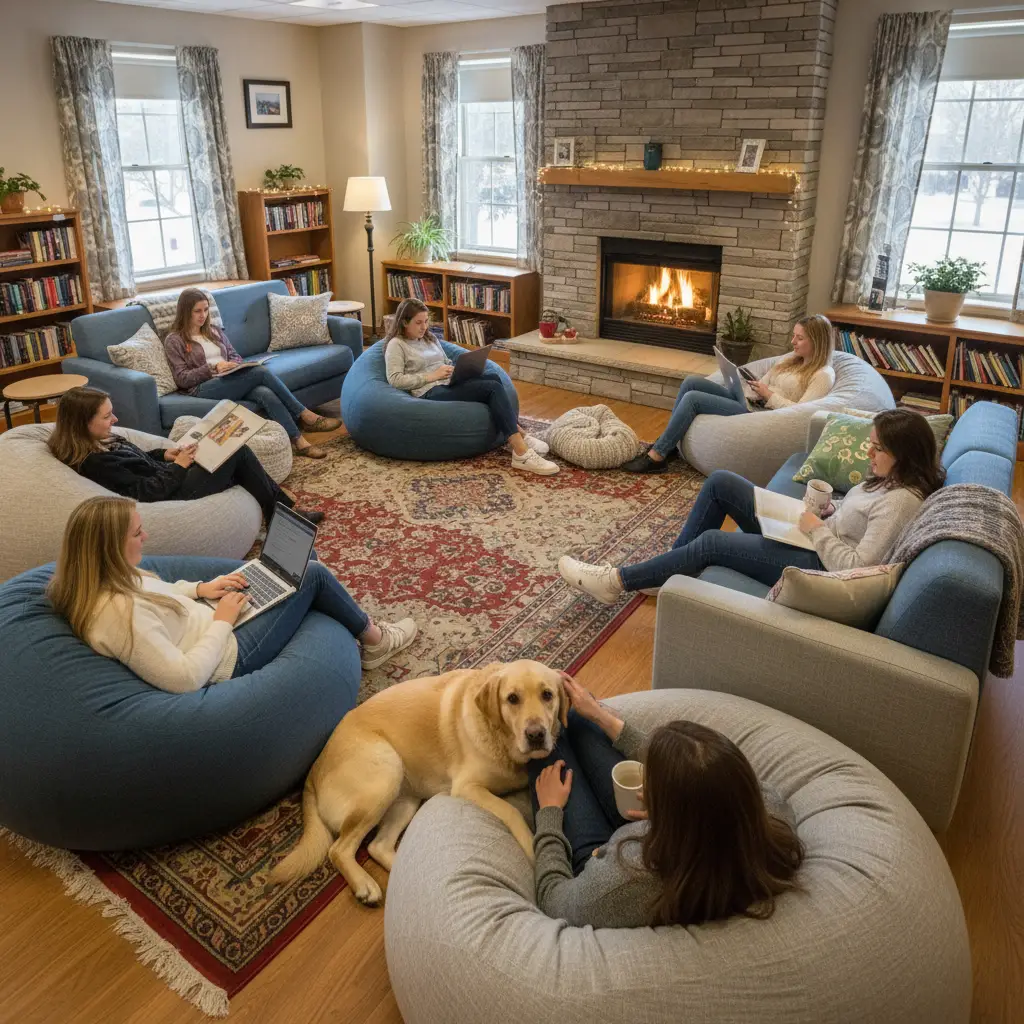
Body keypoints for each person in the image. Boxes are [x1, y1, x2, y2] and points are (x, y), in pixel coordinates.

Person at [560, 407, 945, 603]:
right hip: (811, 534)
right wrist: (831, 511)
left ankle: (616, 582)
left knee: (712, 542)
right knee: (721, 482)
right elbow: (856, 516)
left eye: (878, 446)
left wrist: (817, 528)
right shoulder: (889, 478)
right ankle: (671, 571)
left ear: (905, 455)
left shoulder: (900, 503)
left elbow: (857, 568)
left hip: (815, 565)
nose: (869, 451)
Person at [47, 496, 418, 694]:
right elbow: (185, 678)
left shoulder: (103, 577)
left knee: (293, 564)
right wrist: (222, 622)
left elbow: (157, 595)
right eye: (136, 533)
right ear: (109, 546)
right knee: (314, 574)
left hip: (211, 618)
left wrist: (199, 589)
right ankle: (375, 641)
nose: (145, 538)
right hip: (225, 658)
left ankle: (332, 613)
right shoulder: (119, 615)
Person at [529, 676, 803, 928]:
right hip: (667, 832)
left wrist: (549, 813)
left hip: (606, 858)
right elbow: (700, 773)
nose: (645, 780)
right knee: (576, 717)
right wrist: (603, 718)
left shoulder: (622, 883)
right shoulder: (771, 810)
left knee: (550, 747)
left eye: (650, 779)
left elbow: (555, 900)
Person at [48, 385, 325, 526]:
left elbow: (139, 459)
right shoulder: (94, 461)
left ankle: (280, 510)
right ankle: (282, 513)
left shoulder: (102, 440)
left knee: (227, 449)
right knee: (237, 453)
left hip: (170, 474)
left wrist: (165, 454)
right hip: (173, 492)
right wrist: (179, 467)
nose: (116, 418)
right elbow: (145, 492)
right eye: (107, 416)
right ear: (82, 423)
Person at [622, 314, 837, 473]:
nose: (793, 342)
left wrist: (769, 396)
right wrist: (747, 385)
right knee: (691, 382)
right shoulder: (791, 359)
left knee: (693, 400)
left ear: (817, 342)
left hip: (762, 414)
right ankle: (668, 446)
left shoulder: (822, 375)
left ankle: (657, 457)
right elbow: (764, 382)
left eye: (799, 339)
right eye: (794, 336)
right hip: (752, 400)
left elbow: (802, 414)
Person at [383, 298, 559, 476]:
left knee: (494, 377)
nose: (424, 327)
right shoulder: (396, 345)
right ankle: (521, 453)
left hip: (448, 382)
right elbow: (395, 379)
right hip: (429, 391)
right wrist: (431, 376)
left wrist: (458, 370)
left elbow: (445, 361)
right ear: (404, 322)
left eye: (426, 321)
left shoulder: (429, 338)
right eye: (418, 322)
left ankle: (519, 433)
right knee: (492, 389)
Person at [164, 287, 340, 460]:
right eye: (197, 311)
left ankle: (299, 441)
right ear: (186, 312)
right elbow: (182, 378)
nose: (203, 315)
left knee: (264, 393)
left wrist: (235, 366)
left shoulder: (214, 331)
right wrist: (213, 368)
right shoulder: (175, 340)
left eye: (205, 310)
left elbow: (234, 356)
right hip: (201, 388)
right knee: (260, 372)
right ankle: (305, 414)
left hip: (228, 378)